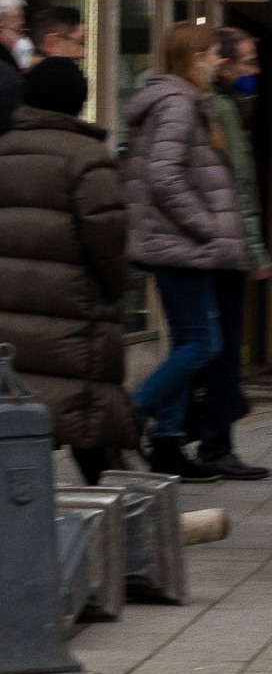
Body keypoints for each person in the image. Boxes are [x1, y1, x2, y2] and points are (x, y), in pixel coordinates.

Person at [0, 57, 136, 482]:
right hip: (75, 320)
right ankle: (122, 534)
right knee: (91, 433)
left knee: (19, 420)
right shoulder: (88, 158)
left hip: (8, 315)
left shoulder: (3, 150)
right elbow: (108, 241)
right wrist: (116, 288)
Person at [123, 25, 244, 481]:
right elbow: (163, 177)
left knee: (187, 341)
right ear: (194, 58)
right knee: (203, 343)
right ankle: (134, 410)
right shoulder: (177, 104)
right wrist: (206, 227)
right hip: (180, 246)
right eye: (214, 54)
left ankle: (168, 443)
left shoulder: (185, 102)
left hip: (178, 245)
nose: (219, 63)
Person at [180, 27, 272, 482]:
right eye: (247, 62)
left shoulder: (222, 106)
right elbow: (238, 187)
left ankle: (184, 430)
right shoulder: (221, 111)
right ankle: (212, 442)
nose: (254, 71)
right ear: (224, 66)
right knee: (220, 349)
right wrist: (253, 249)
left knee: (207, 344)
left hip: (213, 244)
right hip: (225, 246)